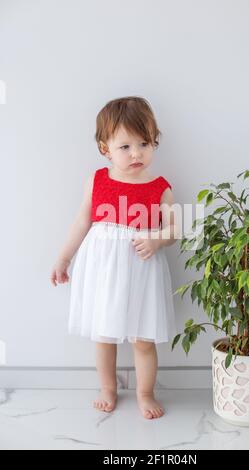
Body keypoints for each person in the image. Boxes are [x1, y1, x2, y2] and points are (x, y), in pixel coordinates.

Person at [50, 96, 178, 419]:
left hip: (142, 270)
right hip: (104, 271)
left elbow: (178, 226)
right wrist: (64, 258)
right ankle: (107, 387)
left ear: (155, 142)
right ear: (105, 148)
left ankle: (145, 392)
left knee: (143, 339)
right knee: (104, 335)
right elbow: (83, 220)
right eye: (125, 147)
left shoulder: (160, 187)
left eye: (145, 143)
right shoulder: (97, 180)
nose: (137, 153)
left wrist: (157, 239)